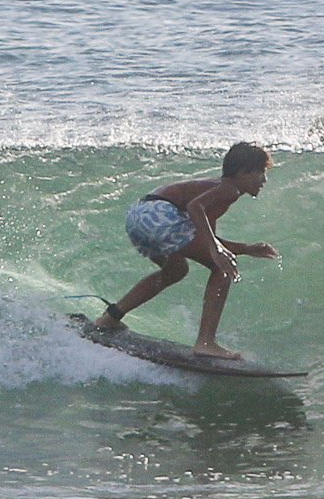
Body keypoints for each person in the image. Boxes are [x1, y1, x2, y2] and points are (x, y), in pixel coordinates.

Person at [94, 142, 280, 359]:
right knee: (222, 269)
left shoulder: (217, 189)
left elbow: (203, 236)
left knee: (176, 270)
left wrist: (245, 248)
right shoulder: (229, 189)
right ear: (244, 172)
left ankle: (110, 318)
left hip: (140, 215)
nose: (264, 181)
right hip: (161, 214)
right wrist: (216, 249)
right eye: (261, 173)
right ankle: (206, 342)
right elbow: (195, 208)